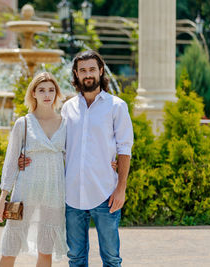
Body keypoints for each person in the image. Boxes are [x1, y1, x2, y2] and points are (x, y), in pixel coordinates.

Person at [20, 50, 133, 266]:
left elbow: (125, 148)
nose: (87, 74)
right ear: (76, 74)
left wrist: (121, 188)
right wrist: (25, 159)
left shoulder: (116, 106)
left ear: (101, 71)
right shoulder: (67, 108)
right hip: (72, 195)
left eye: (92, 69)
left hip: (105, 193)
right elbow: (54, 145)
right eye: (83, 70)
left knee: (111, 258)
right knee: (76, 258)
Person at [0, 72, 68, 267]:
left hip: (54, 193)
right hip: (24, 193)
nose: (47, 94)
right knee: (11, 246)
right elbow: (10, 162)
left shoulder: (65, 123)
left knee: (46, 250)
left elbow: (73, 159)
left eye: (51, 90)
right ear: (33, 93)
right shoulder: (24, 123)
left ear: (56, 93)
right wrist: (3, 199)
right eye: (42, 90)